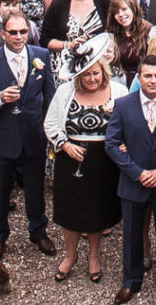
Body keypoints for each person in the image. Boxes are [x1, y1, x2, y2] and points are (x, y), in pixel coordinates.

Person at [102, 45, 156, 305]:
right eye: (147, 76)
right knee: (132, 233)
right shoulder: (123, 105)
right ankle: (131, 281)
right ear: (139, 77)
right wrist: (137, 173)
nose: (152, 81)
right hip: (133, 181)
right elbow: (111, 143)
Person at [0, 9, 57, 261]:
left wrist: (47, 126)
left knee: (35, 187)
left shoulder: (41, 55)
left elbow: (50, 95)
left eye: (23, 32)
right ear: (3, 33)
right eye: (13, 32)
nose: (19, 37)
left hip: (33, 134)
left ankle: (38, 231)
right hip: (4, 135)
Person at [44, 37, 123, 286]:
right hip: (71, 158)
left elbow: (129, 123)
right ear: (79, 76)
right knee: (70, 208)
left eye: (96, 73)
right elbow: (50, 123)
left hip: (104, 160)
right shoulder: (66, 90)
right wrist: (65, 145)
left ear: (104, 71)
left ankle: (93, 256)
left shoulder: (119, 91)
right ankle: (70, 254)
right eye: (87, 75)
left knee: (97, 209)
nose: (92, 79)